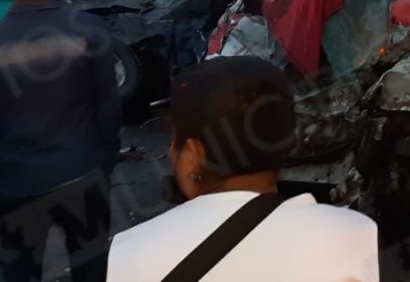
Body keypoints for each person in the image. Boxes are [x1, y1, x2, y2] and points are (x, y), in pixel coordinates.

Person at [107, 56, 380, 280]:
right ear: (290, 141)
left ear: (192, 155)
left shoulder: (131, 253)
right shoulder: (354, 235)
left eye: (174, 139)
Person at [0, 0, 120, 282]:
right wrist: (104, 166)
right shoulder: (89, 31)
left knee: (19, 274)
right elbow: (109, 111)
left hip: (14, 184)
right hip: (82, 175)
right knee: (92, 271)